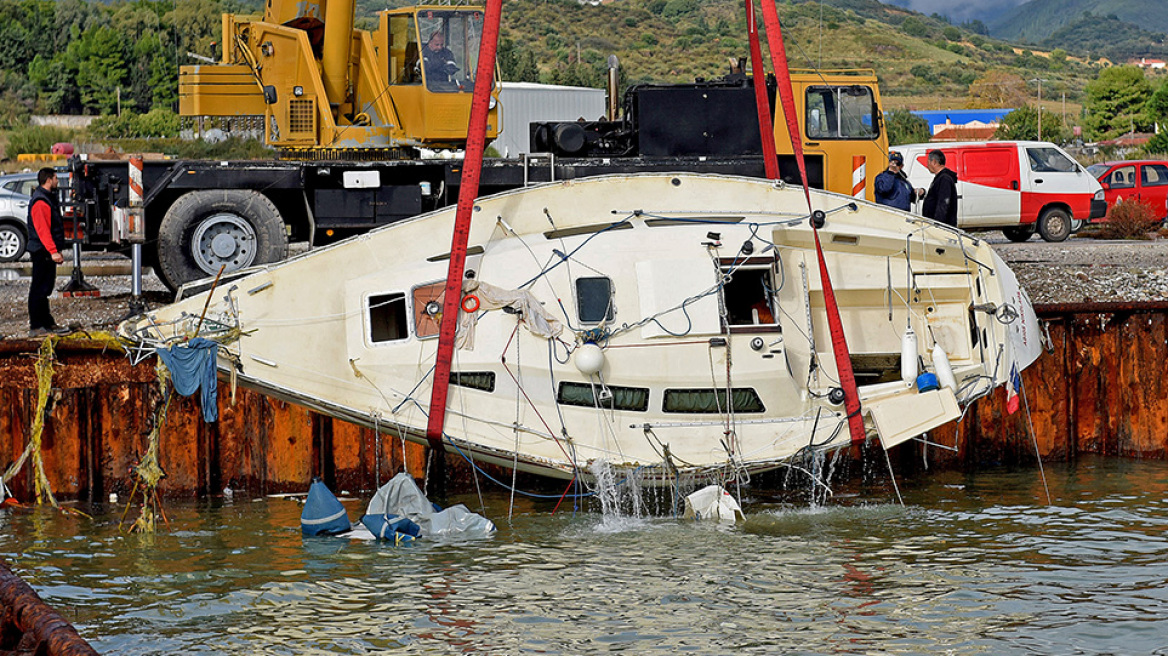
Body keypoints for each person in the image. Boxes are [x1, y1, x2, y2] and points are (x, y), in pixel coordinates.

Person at [26, 167, 69, 336]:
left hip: (45, 250)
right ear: (49, 180)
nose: (58, 181)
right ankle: (36, 325)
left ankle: (46, 323)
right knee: (39, 288)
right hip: (42, 251)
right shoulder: (41, 202)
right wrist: (53, 251)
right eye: (56, 178)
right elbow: (43, 230)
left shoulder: (46, 199)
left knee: (45, 288)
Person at [919, 149, 958, 227]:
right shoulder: (939, 178)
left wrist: (937, 225)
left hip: (943, 226)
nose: (927, 165)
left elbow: (943, 204)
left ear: (934, 162)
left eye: (928, 162)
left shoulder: (944, 180)